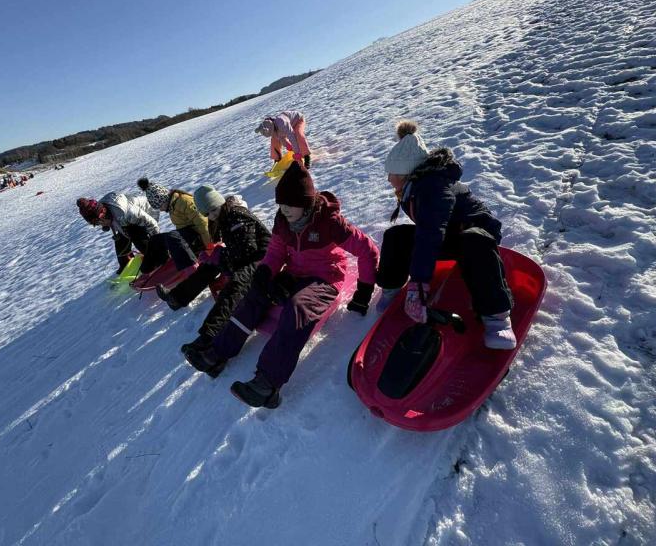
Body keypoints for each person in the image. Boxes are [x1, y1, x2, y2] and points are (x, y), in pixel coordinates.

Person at [184, 162, 379, 408]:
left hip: (324, 277)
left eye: (289, 205)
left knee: (297, 309)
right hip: (294, 272)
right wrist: (265, 272)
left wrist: (364, 291)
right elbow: (276, 250)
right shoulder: (283, 220)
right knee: (254, 295)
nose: (283, 210)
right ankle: (218, 353)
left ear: (305, 203)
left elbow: (367, 250)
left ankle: (267, 384)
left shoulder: (328, 222)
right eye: (281, 204)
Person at [378, 120, 516, 350]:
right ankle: (390, 289)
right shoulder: (413, 187)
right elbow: (428, 229)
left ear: (405, 173)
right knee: (397, 236)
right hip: (448, 234)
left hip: (473, 236)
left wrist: (419, 284)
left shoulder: (433, 188)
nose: (389, 178)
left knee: (475, 240)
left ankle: (496, 317)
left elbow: (430, 233)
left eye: (392, 173)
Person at [156, 186, 272, 354]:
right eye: (207, 213)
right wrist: (215, 256)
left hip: (264, 258)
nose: (212, 215)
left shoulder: (236, 215)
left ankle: (208, 336)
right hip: (245, 257)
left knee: (235, 285)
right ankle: (177, 298)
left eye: (213, 210)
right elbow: (234, 248)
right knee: (208, 267)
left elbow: (248, 250)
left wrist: (220, 255)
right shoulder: (222, 217)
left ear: (220, 202)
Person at [77, 192, 195, 275]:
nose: (99, 225)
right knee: (120, 239)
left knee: (135, 235)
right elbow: (119, 228)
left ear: (102, 214)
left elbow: (152, 223)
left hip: (148, 212)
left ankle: (161, 260)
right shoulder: (106, 212)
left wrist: (158, 245)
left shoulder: (126, 212)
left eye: (98, 222)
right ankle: (125, 265)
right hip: (125, 221)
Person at [137, 178, 210, 254]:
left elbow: (203, 224)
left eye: (160, 206)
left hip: (202, 237)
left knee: (172, 238)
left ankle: (190, 260)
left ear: (164, 199)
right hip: (191, 237)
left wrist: (209, 246)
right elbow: (181, 227)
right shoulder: (172, 206)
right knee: (156, 239)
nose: (161, 210)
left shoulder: (184, 202)